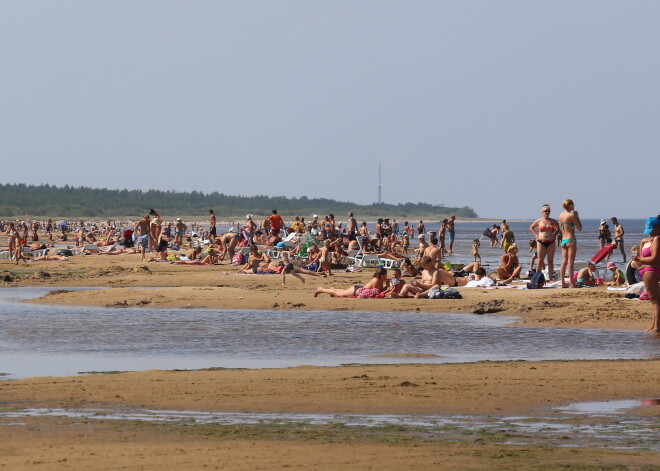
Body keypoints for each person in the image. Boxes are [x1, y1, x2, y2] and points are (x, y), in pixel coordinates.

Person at [632, 216, 660, 332]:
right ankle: (654, 326)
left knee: (656, 301)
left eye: (651, 229)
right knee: (654, 301)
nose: (650, 232)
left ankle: (657, 327)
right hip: (648, 270)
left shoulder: (657, 238)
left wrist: (639, 259)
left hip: (652, 271)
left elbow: (654, 258)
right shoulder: (652, 239)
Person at [530, 204, 560, 280]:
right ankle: (536, 278)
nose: (547, 212)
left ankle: (550, 278)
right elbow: (531, 227)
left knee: (550, 260)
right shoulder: (539, 220)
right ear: (542, 212)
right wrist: (536, 235)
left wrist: (555, 234)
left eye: (548, 211)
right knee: (540, 260)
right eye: (545, 211)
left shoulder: (553, 221)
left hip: (551, 242)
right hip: (541, 242)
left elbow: (559, 227)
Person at [314, 267, 389, 298]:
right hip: (357, 291)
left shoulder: (380, 280)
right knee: (340, 294)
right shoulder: (376, 280)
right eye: (385, 275)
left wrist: (387, 286)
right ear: (382, 275)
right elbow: (377, 292)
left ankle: (332, 289)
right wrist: (388, 287)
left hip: (359, 289)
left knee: (343, 291)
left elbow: (378, 291)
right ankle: (321, 290)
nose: (386, 276)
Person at [559, 199, 582, 288]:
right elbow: (579, 228)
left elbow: (561, 228)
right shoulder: (571, 215)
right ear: (569, 206)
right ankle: (572, 283)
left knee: (563, 262)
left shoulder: (561, 215)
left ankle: (563, 283)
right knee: (570, 262)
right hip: (571, 239)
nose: (574, 206)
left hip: (563, 240)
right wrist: (577, 217)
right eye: (572, 204)